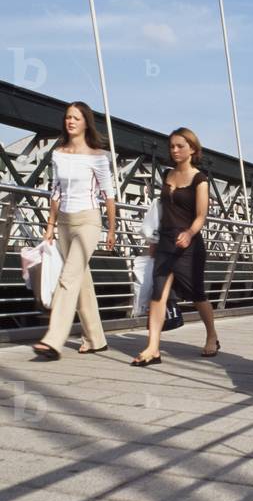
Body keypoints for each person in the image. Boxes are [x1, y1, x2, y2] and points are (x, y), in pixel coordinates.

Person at [32, 101, 116, 360]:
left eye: (76, 118)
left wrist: (112, 229)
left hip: (89, 221)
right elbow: (55, 191)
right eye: (68, 117)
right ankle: (96, 339)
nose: (70, 121)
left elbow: (109, 195)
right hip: (65, 224)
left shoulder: (98, 156)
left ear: (85, 123)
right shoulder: (58, 153)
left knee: (68, 278)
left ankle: (53, 340)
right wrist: (50, 225)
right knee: (82, 283)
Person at [132, 127, 218, 366]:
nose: (175, 150)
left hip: (189, 245)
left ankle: (212, 335)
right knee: (158, 294)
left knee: (196, 294)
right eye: (172, 146)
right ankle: (153, 347)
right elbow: (162, 212)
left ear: (192, 148)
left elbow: (201, 215)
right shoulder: (167, 175)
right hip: (165, 242)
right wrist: (153, 240)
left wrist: (190, 233)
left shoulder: (200, 180)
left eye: (180, 146)